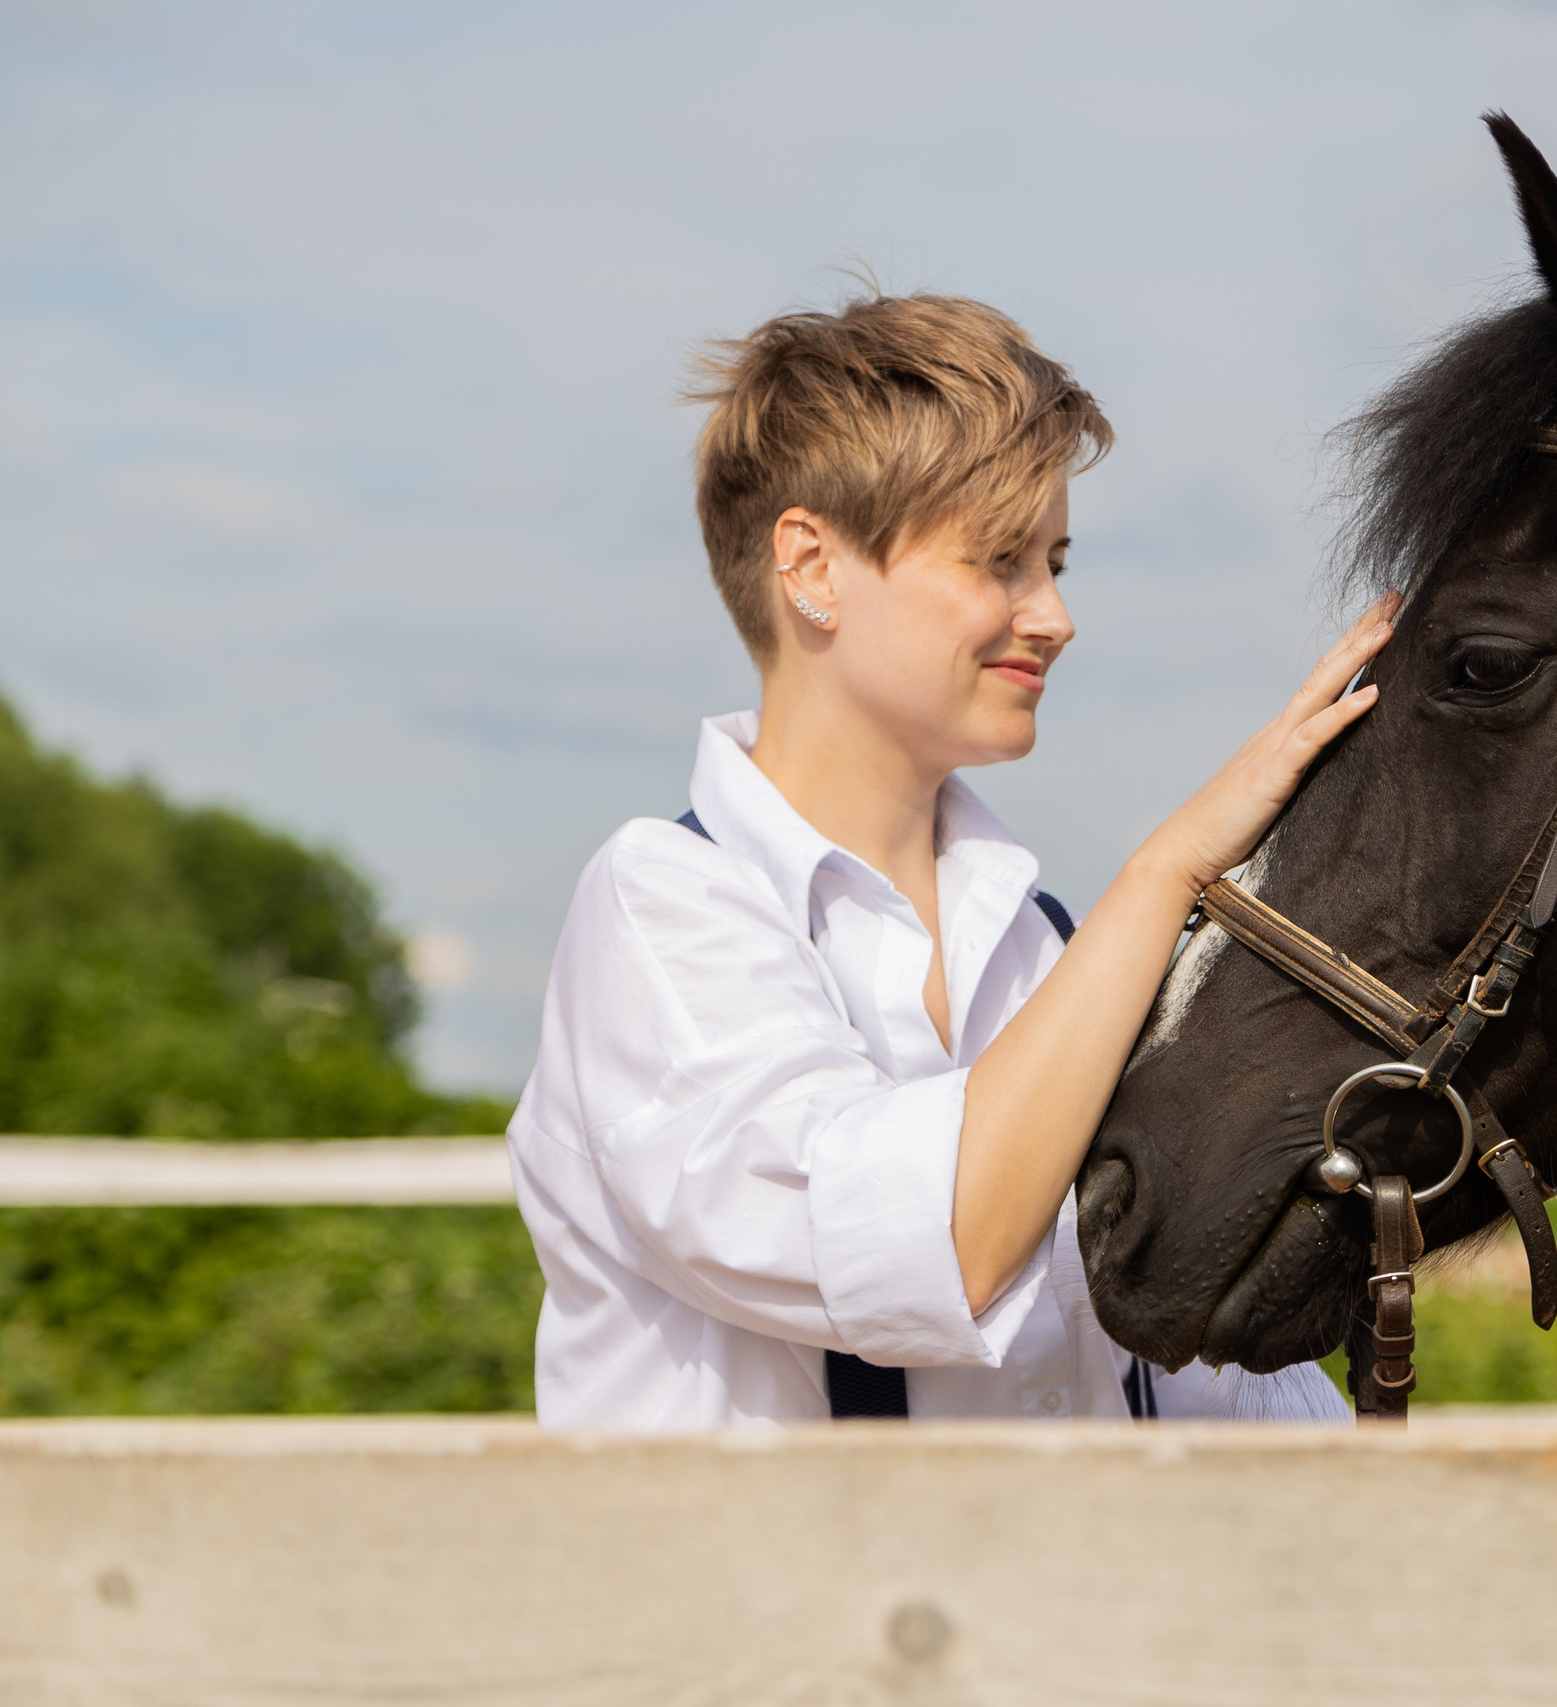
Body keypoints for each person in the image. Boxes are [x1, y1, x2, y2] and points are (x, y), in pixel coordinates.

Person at [507, 290, 1391, 1428]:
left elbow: (1190, 1387)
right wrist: (1171, 869)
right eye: (1000, 561)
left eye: (1057, 560)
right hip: (753, 1608)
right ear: (811, 567)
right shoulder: (663, 910)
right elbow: (933, 1243)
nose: (1054, 615)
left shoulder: (1042, 948)